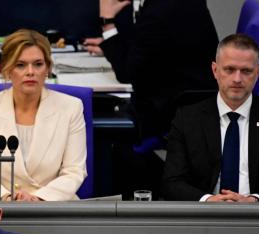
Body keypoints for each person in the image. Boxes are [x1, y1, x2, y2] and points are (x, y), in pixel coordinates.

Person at [84, 0, 219, 198]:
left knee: (101, 127)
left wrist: (108, 22)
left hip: (174, 106)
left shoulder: (159, 11)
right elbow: (151, 44)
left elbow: (127, 71)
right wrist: (114, 45)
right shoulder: (167, 6)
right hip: (191, 90)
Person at [162, 34, 259, 202]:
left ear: (257, 73)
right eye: (229, 69)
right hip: (204, 218)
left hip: (258, 217)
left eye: (246, 71)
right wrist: (208, 200)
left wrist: (254, 200)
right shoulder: (187, 118)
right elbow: (172, 182)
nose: (237, 79)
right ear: (215, 70)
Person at [0, 29, 87, 202]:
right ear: (7, 70)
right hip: (1, 207)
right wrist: (7, 197)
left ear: (47, 68)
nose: (30, 72)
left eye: (38, 64)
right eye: (20, 65)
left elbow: (74, 171)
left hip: (54, 206)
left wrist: (38, 198)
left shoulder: (71, 107)